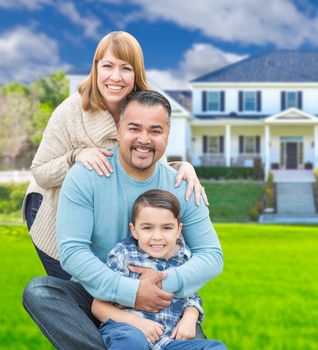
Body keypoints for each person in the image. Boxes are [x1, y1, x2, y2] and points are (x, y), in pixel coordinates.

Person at [22, 90, 223, 350]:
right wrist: (132, 291)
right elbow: (73, 253)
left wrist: (164, 283)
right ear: (118, 129)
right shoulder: (86, 175)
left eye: (155, 130)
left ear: (167, 134)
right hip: (97, 292)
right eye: (134, 128)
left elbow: (211, 255)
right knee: (40, 292)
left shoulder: (181, 184)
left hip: (164, 299)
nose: (144, 139)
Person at [23, 31, 208, 280]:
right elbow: (40, 171)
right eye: (108, 66)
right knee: (78, 291)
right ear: (96, 68)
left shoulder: (145, 106)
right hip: (52, 207)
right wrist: (75, 155)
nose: (116, 77)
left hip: (103, 214)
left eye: (126, 68)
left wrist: (181, 166)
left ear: (137, 73)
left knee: (111, 286)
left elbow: (149, 158)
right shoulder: (70, 112)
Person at [92, 189, 226, 350]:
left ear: (178, 230)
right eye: (147, 228)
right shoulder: (123, 255)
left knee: (216, 347)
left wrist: (190, 317)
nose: (157, 236)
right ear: (134, 230)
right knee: (132, 341)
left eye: (167, 228)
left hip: (168, 340)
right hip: (128, 330)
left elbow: (191, 296)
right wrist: (138, 323)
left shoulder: (184, 257)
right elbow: (98, 306)